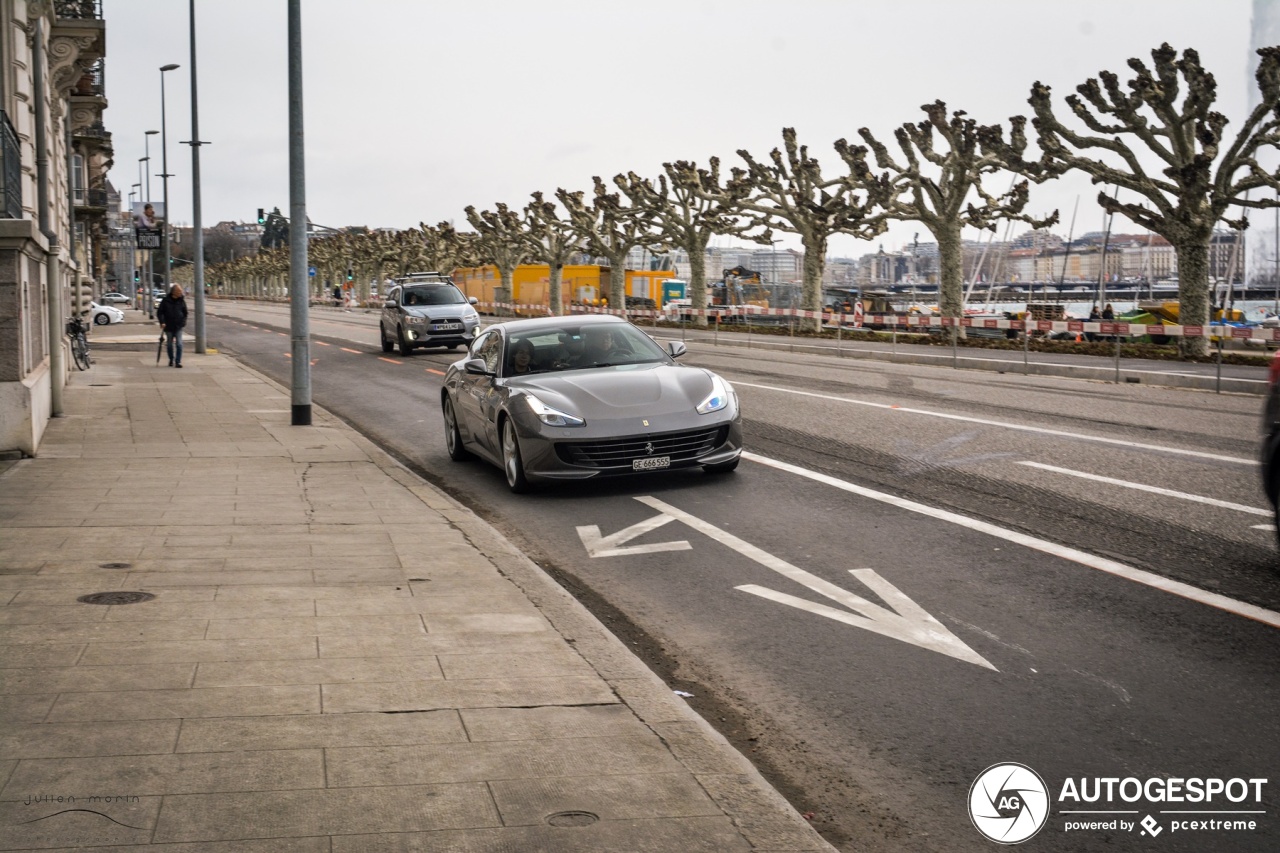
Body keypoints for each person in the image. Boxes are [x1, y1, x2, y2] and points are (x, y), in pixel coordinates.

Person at [156, 284, 188, 367]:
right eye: (179, 291)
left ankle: (178, 361)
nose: (181, 292)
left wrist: (183, 321)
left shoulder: (181, 300)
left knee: (179, 344)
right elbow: (160, 312)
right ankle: (171, 359)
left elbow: (185, 312)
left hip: (178, 325)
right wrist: (162, 322)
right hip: (168, 326)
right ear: (173, 292)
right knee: (169, 344)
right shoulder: (165, 301)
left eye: (181, 291)